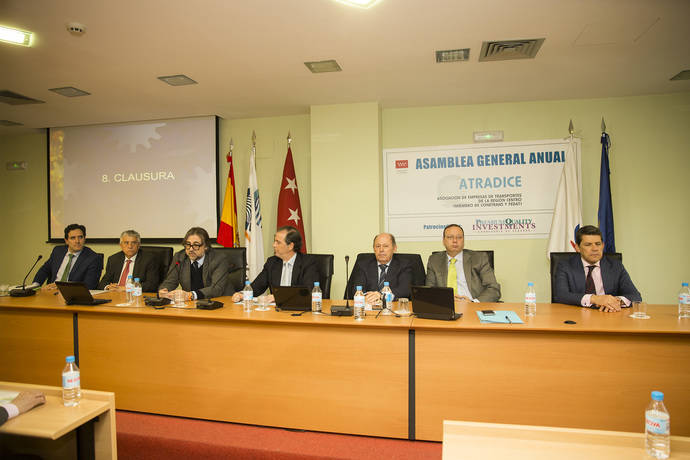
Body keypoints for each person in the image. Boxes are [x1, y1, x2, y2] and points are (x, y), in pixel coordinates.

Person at [553, 225, 641, 311]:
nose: (595, 248)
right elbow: (561, 295)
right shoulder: (565, 266)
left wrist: (615, 301)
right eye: (588, 245)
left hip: (608, 316)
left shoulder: (615, 266)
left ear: (603, 245)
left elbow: (635, 296)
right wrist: (595, 299)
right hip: (577, 316)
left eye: (598, 244)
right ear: (577, 248)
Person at [231, 226, 318, 303]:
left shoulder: (308, 263)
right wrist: (242, 294)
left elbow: (308, 292)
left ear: (290, 246)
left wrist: (279, 297)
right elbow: (256, 287)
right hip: (275, 313)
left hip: (298, 312)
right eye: (274, 241)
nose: (273, 245)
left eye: (278, 242)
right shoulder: (272, 262)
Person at [425, 224, 501, 302]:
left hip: (473, 306)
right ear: (443, 241)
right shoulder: (434, 260)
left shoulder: (479, 258)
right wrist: (445, 300)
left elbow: (494, 289)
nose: (455, 241)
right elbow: (429, 291)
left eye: (459, 237)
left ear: (463, 240)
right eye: (450, 237)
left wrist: (473, 302)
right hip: (445, 307)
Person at [158, 227, 229, 300]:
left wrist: (191, 295)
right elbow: (170, 281)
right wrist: (164, 290)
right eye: (188, 244)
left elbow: (216, 288)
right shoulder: (180, 257)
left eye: (196, 245)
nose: (191, 249)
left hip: (220, 301)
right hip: (191, 304)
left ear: (206, 246)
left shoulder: (218, 259)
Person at [33, 223, 103, 290]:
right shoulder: (58, 251)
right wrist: (35, 285)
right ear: (66, 241)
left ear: (84, 238)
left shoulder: (93, 258)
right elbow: (45, 270)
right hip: (51, 293)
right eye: (73, 238)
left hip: (73, 296)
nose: (77, 241)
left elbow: (89, 285)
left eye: (80, 237)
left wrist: (60, 288)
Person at [347, 233, 412, 304]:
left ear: (394, 248)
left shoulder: (404, 265)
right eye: (378, 246)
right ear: (374, 249)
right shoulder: (363, 264)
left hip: (392, 307)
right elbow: (357, 289)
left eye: (385, 246)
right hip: (369, 307)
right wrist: (369, 297)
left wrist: (381, 295)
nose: (381, 250)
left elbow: (405, 290)